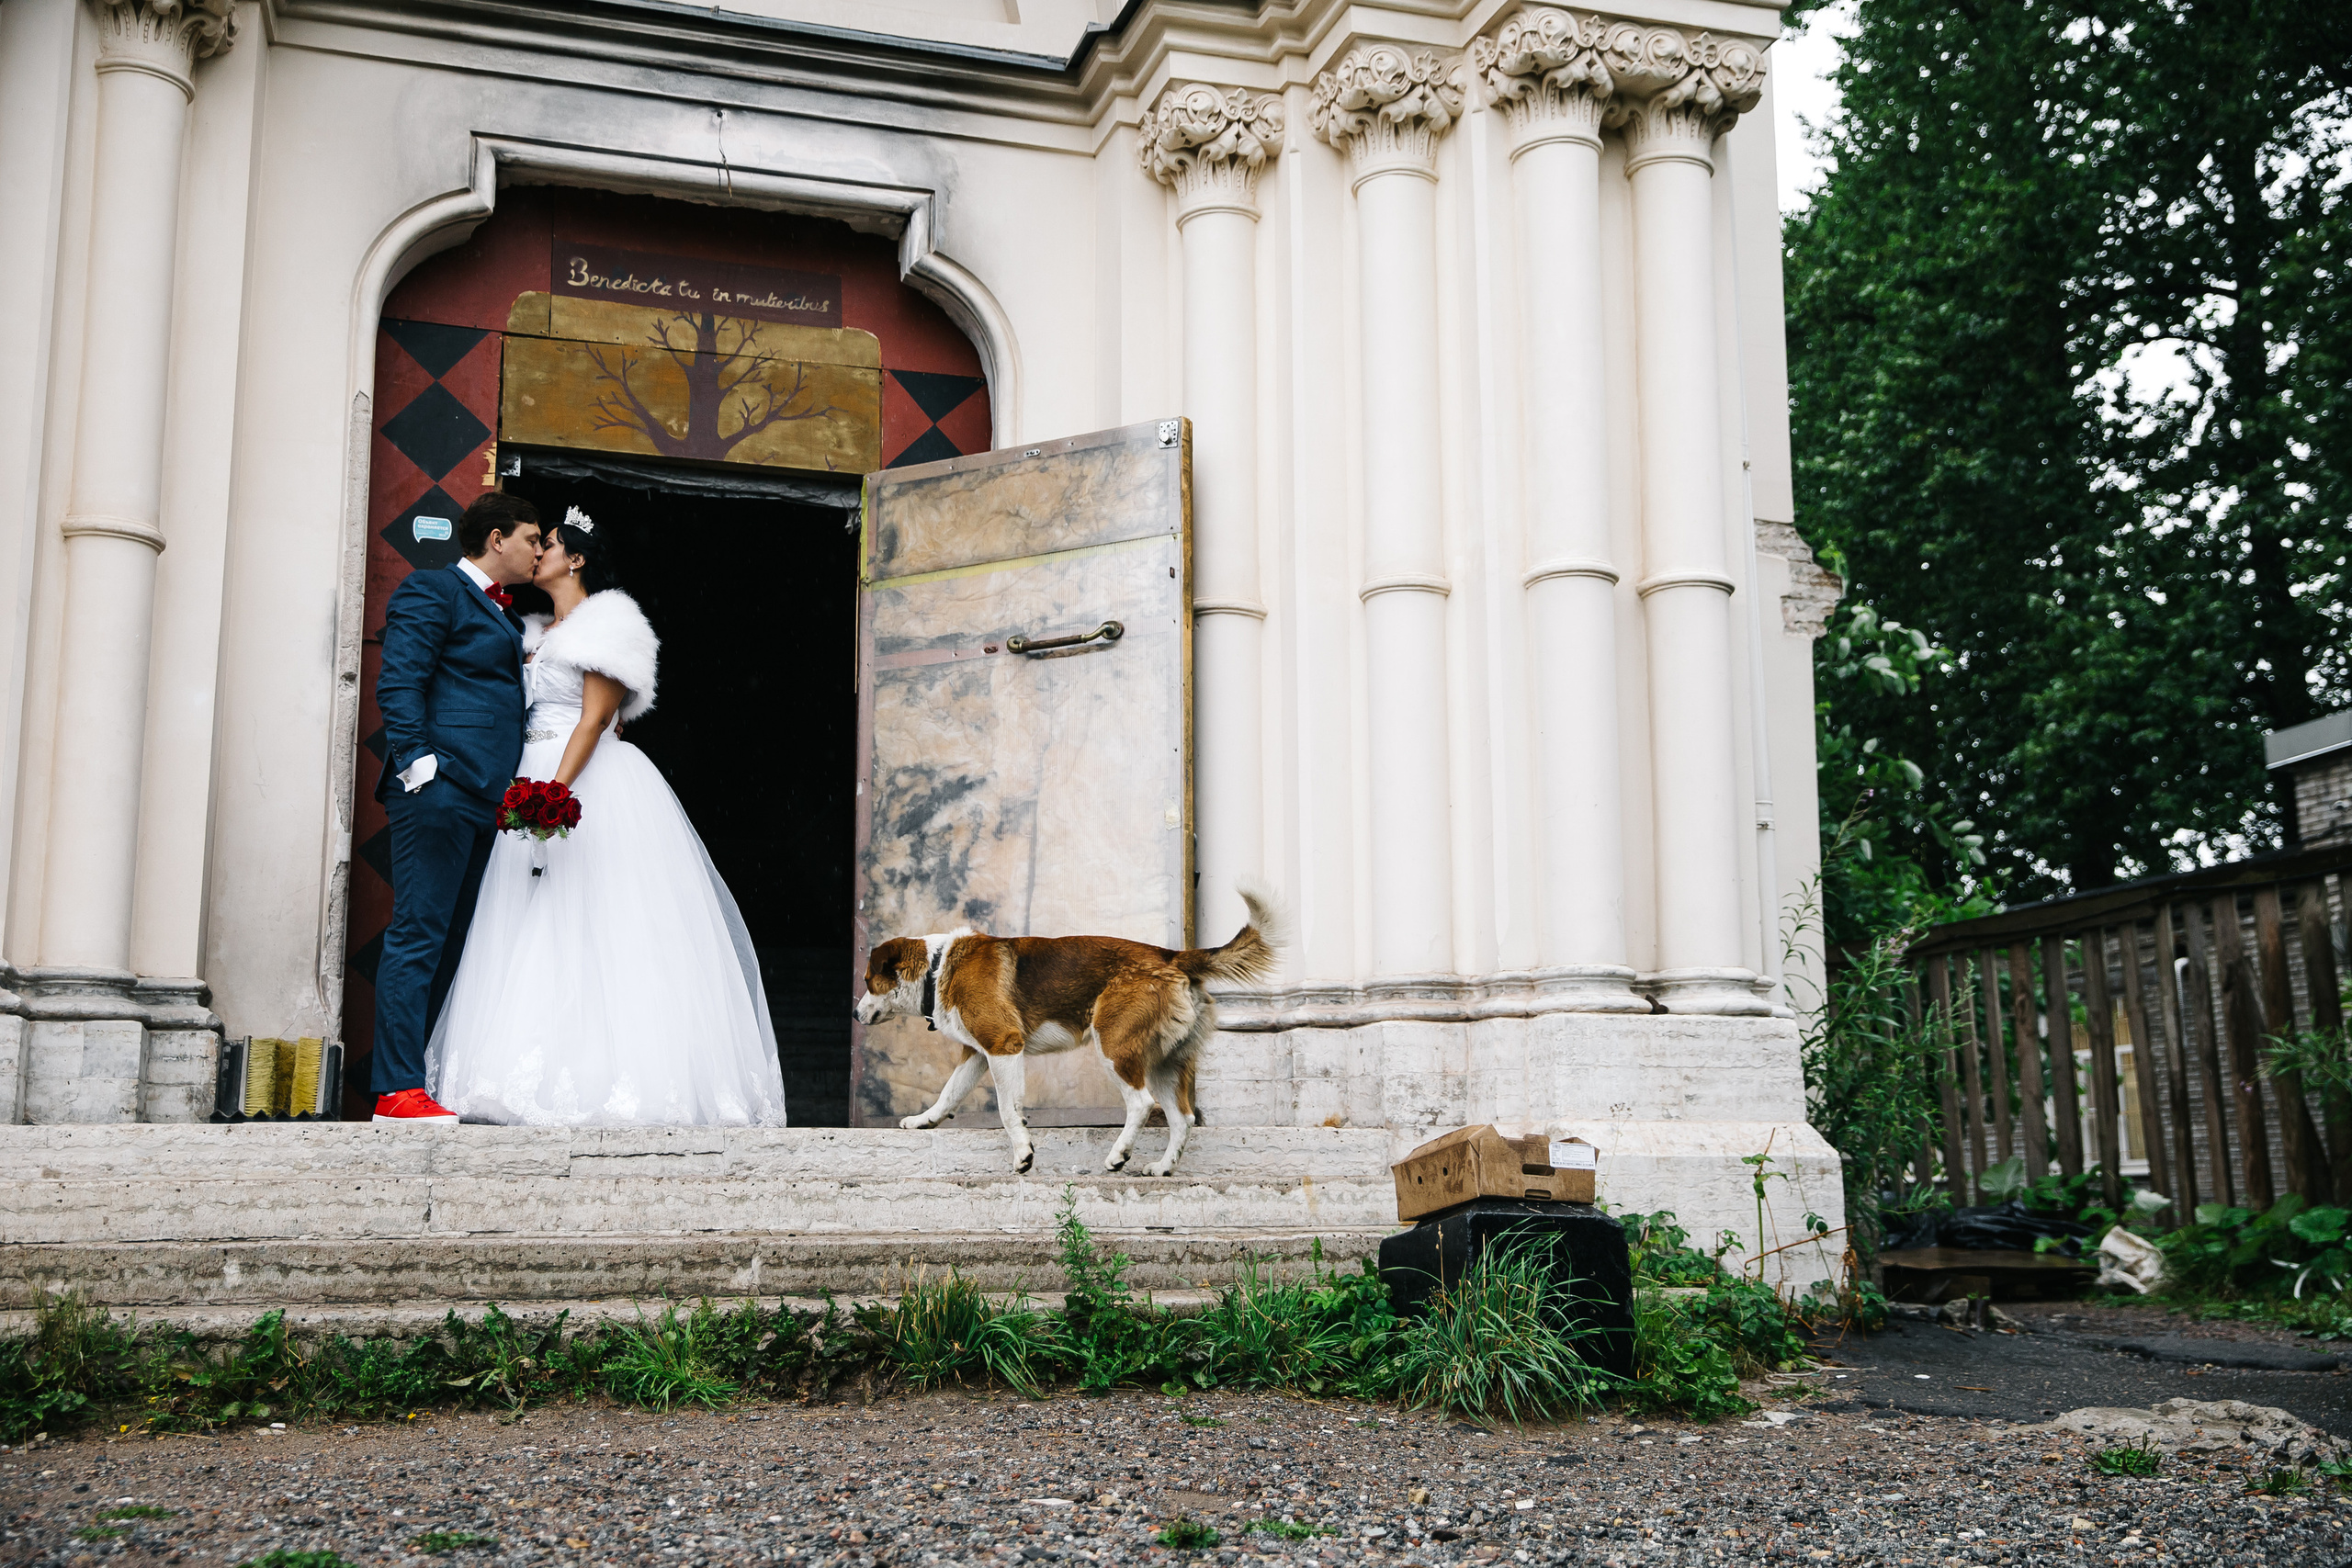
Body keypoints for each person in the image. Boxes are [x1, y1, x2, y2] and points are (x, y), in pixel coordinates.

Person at [424, 506, 787, 1126]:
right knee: (528, 925)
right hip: (529, 779)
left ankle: (614, 1077)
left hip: (584, 782)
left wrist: (551, 794)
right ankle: (521, 1069)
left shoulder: (610, 624)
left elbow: (594, 719)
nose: (537, 551)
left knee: (602, 921)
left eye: (551, 543)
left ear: (579, 558)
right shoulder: (530, 632)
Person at [370, 492, 544, 1123]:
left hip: (484, 800)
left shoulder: (506, 616)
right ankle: (395, 1089)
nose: (538, 551)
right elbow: (401, 680)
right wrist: (422, 768)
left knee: (452, 943)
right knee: (418, 934)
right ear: (497, 539)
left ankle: (423, 1078)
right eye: (531, 538)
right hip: (441, 791)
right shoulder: (433, 590)